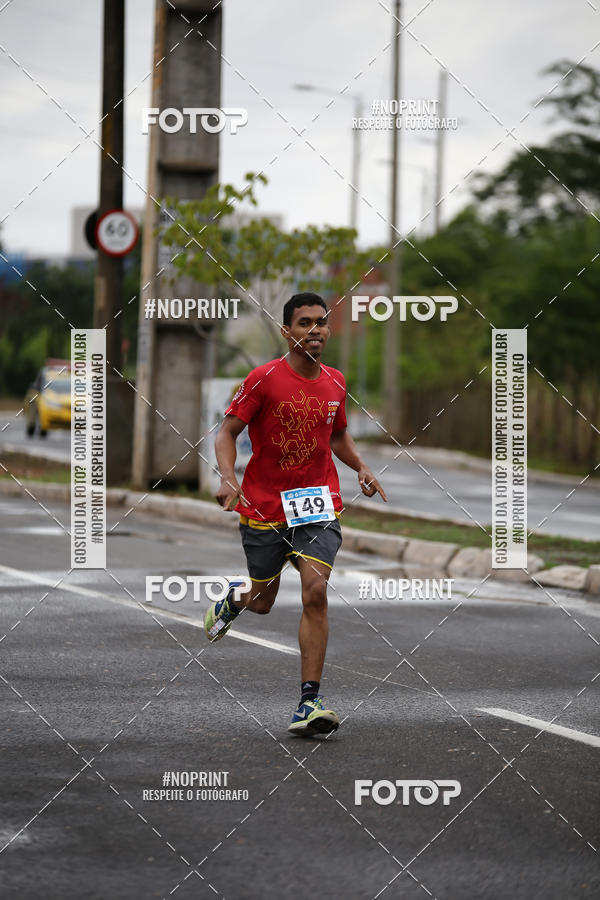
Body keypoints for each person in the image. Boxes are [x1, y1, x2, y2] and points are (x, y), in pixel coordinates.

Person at [204, 292, 387, 736]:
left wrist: (361, 467)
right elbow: (227, 432)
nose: (315, 329)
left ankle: (309, 702)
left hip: (317, 505)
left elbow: (337, 435)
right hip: (265, 507)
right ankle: (236, 599)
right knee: (263, 603)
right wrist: (228, 478)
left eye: (321, 322)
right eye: (305, 322)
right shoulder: (263, 379)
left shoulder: (335, 381)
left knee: (315, 591)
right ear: (287, 332)